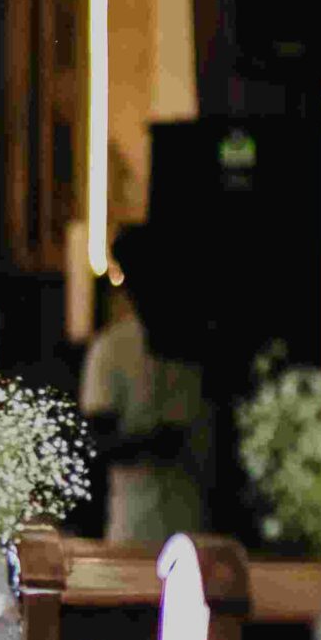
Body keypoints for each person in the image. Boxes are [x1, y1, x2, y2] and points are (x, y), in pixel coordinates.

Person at [80, 226, 210, 543]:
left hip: (196, 523)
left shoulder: (202, 346)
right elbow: (96, 444)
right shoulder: (112, 348)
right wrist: (152, 442)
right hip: (134, 526)